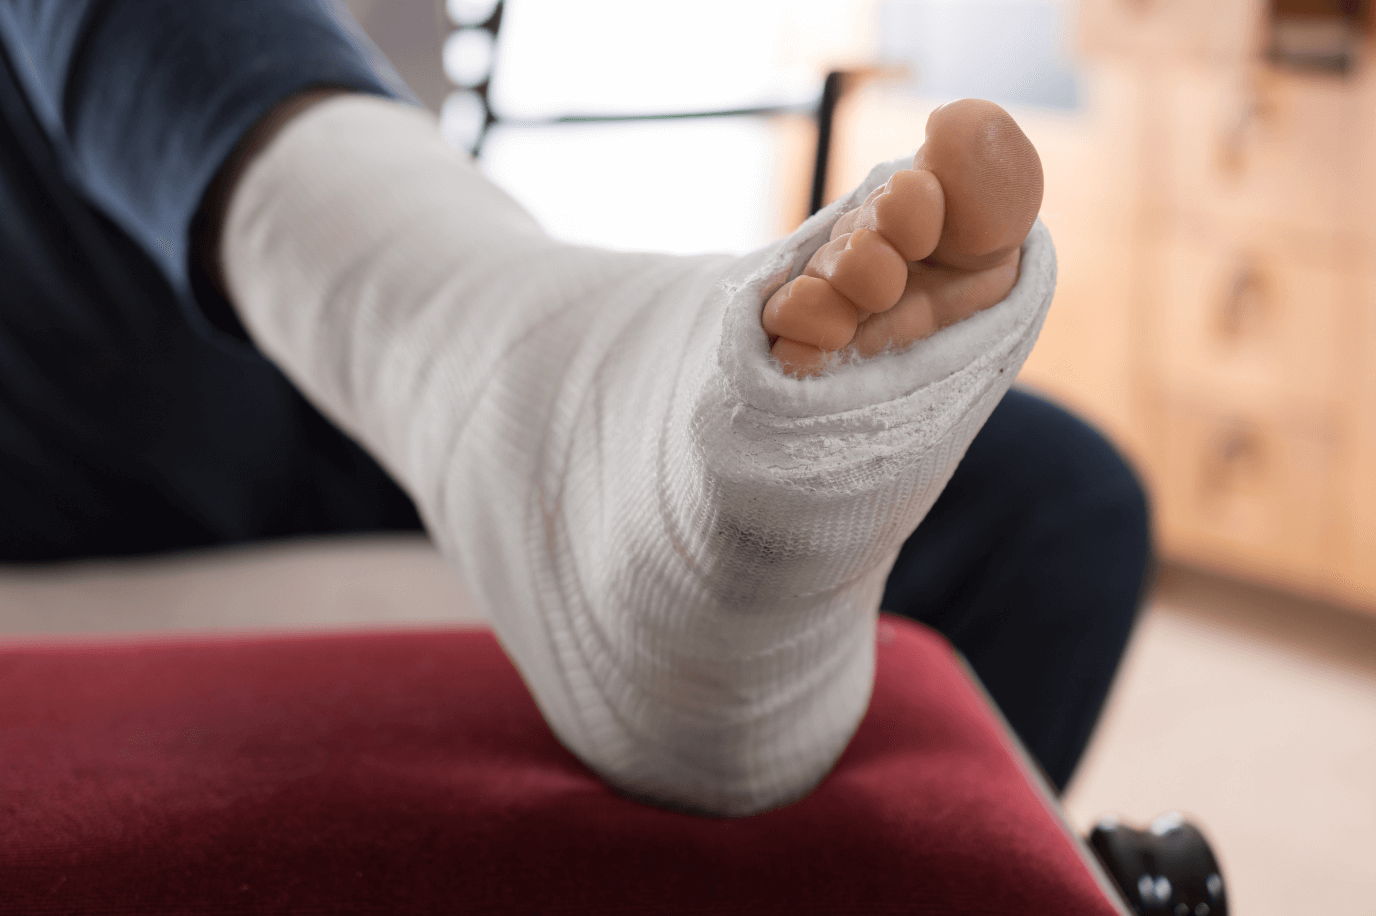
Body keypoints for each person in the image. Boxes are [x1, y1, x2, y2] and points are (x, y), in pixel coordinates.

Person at [0, 0, 1150, 815]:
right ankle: (516, 379)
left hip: (281, 354)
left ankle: (539, 394)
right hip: (65, 413)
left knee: (1056, 505)